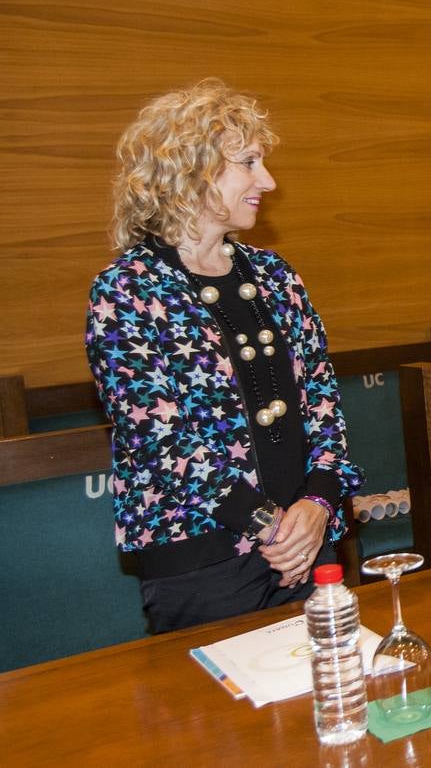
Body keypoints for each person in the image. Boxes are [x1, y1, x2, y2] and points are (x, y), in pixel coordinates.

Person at [85, 79, 363, 633]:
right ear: (189, 169)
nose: (268, 180)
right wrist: (271, 525)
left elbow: (326, 407)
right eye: (248, 163)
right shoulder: (127, 291)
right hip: (205, 563)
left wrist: (319, 507)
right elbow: (159, 444)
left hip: (310, 548)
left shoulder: (276, 275)